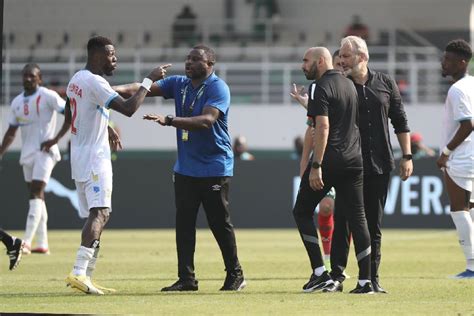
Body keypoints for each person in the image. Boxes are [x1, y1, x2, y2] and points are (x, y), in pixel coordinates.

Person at [49, 36, 169, 295]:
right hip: (94, 158)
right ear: (96, 55)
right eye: (111, 54)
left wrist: (107, 127)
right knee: (100, 213)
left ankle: (87, 277)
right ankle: (79, 272)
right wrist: (148, 81)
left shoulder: (77, 79)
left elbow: (80, 112)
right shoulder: (95, 82)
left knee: (99, 213)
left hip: (81, 153)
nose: (115, 58)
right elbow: (129, 108)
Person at [127, 44, 245, 291]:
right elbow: (139, 89)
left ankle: (236, 275)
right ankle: (187, 279)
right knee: (184, 224)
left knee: (219, 224)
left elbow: (207, 121)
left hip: (214, 166)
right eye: (187, 58)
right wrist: (107, 92)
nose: (188, 63)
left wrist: (169, 120)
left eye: (195, 59)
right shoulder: (179, 83)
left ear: (209, 65)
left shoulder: (217, 87)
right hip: (185, 169)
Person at [333, 35, 413, 293]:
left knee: (373, 225)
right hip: (348, 166)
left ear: (362, 57)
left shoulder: (386, 83)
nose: (341, 60)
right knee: (343, 222)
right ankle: (336, 278)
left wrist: (407, 156)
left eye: (346, 56)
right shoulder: (340, 85)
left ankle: (371, 280)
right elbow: (324, 119)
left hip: (379, 164)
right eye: (340, 56)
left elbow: (400, 121)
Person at [292, 47, 373, 294]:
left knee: (302, 211)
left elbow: (323, 126)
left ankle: (320, 273)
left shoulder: (319, 86)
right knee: (358, 219)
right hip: (354, 159)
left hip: (330, 160)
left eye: (306, 61)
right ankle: (365, 282)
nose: (303, 65)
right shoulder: (349, 84)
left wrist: (316, 164)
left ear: (320, 61)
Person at [0, 63, 67, 255]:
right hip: (27, 154)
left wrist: (56, 138)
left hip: (45, 151)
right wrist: (1, 152)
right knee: (36, 196)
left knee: (36, 191)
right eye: (25, 76)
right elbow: (11, 131)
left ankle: (25, 242)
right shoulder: (17, 102)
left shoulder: (48, 96)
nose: (28, 79)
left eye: (32, 76)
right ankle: (42, 243)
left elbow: (69, 111)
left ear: (40, 78)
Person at [290, 49, 343, 263]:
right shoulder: (320, 90)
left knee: (348, 213)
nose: (341, 68)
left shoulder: (347, 90)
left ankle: (343, 265)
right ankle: (328, 256)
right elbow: (314, 129)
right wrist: (307, 166)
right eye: (338, 63)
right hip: (327, 161)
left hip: (347, 159)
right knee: (326, 206)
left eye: (343, 63)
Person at [437, 39, 474, 279]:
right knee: (470, 208)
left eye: (448, 60)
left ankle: (472, 266)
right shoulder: (471, 84)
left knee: (459, 209)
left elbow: (468, 125)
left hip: (461, 158)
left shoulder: (458, 89)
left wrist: (446, 152)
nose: (444, 63)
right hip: (471, 155)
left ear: (462, 62)